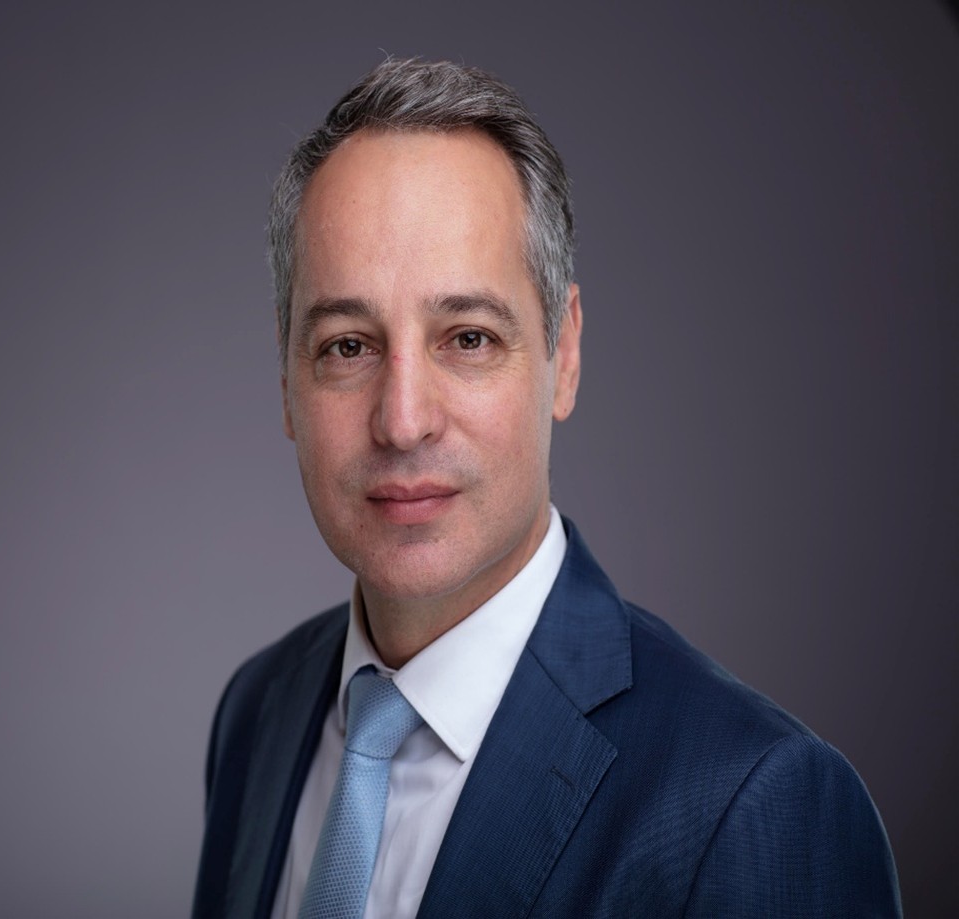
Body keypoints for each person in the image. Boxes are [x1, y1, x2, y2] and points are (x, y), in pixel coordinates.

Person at [192, 58, 901, 918]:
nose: (403, 421)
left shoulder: (757, 805)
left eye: (468, 338)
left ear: (563, 356)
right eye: (348, 345)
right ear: (286, 382)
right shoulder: (257, 714)